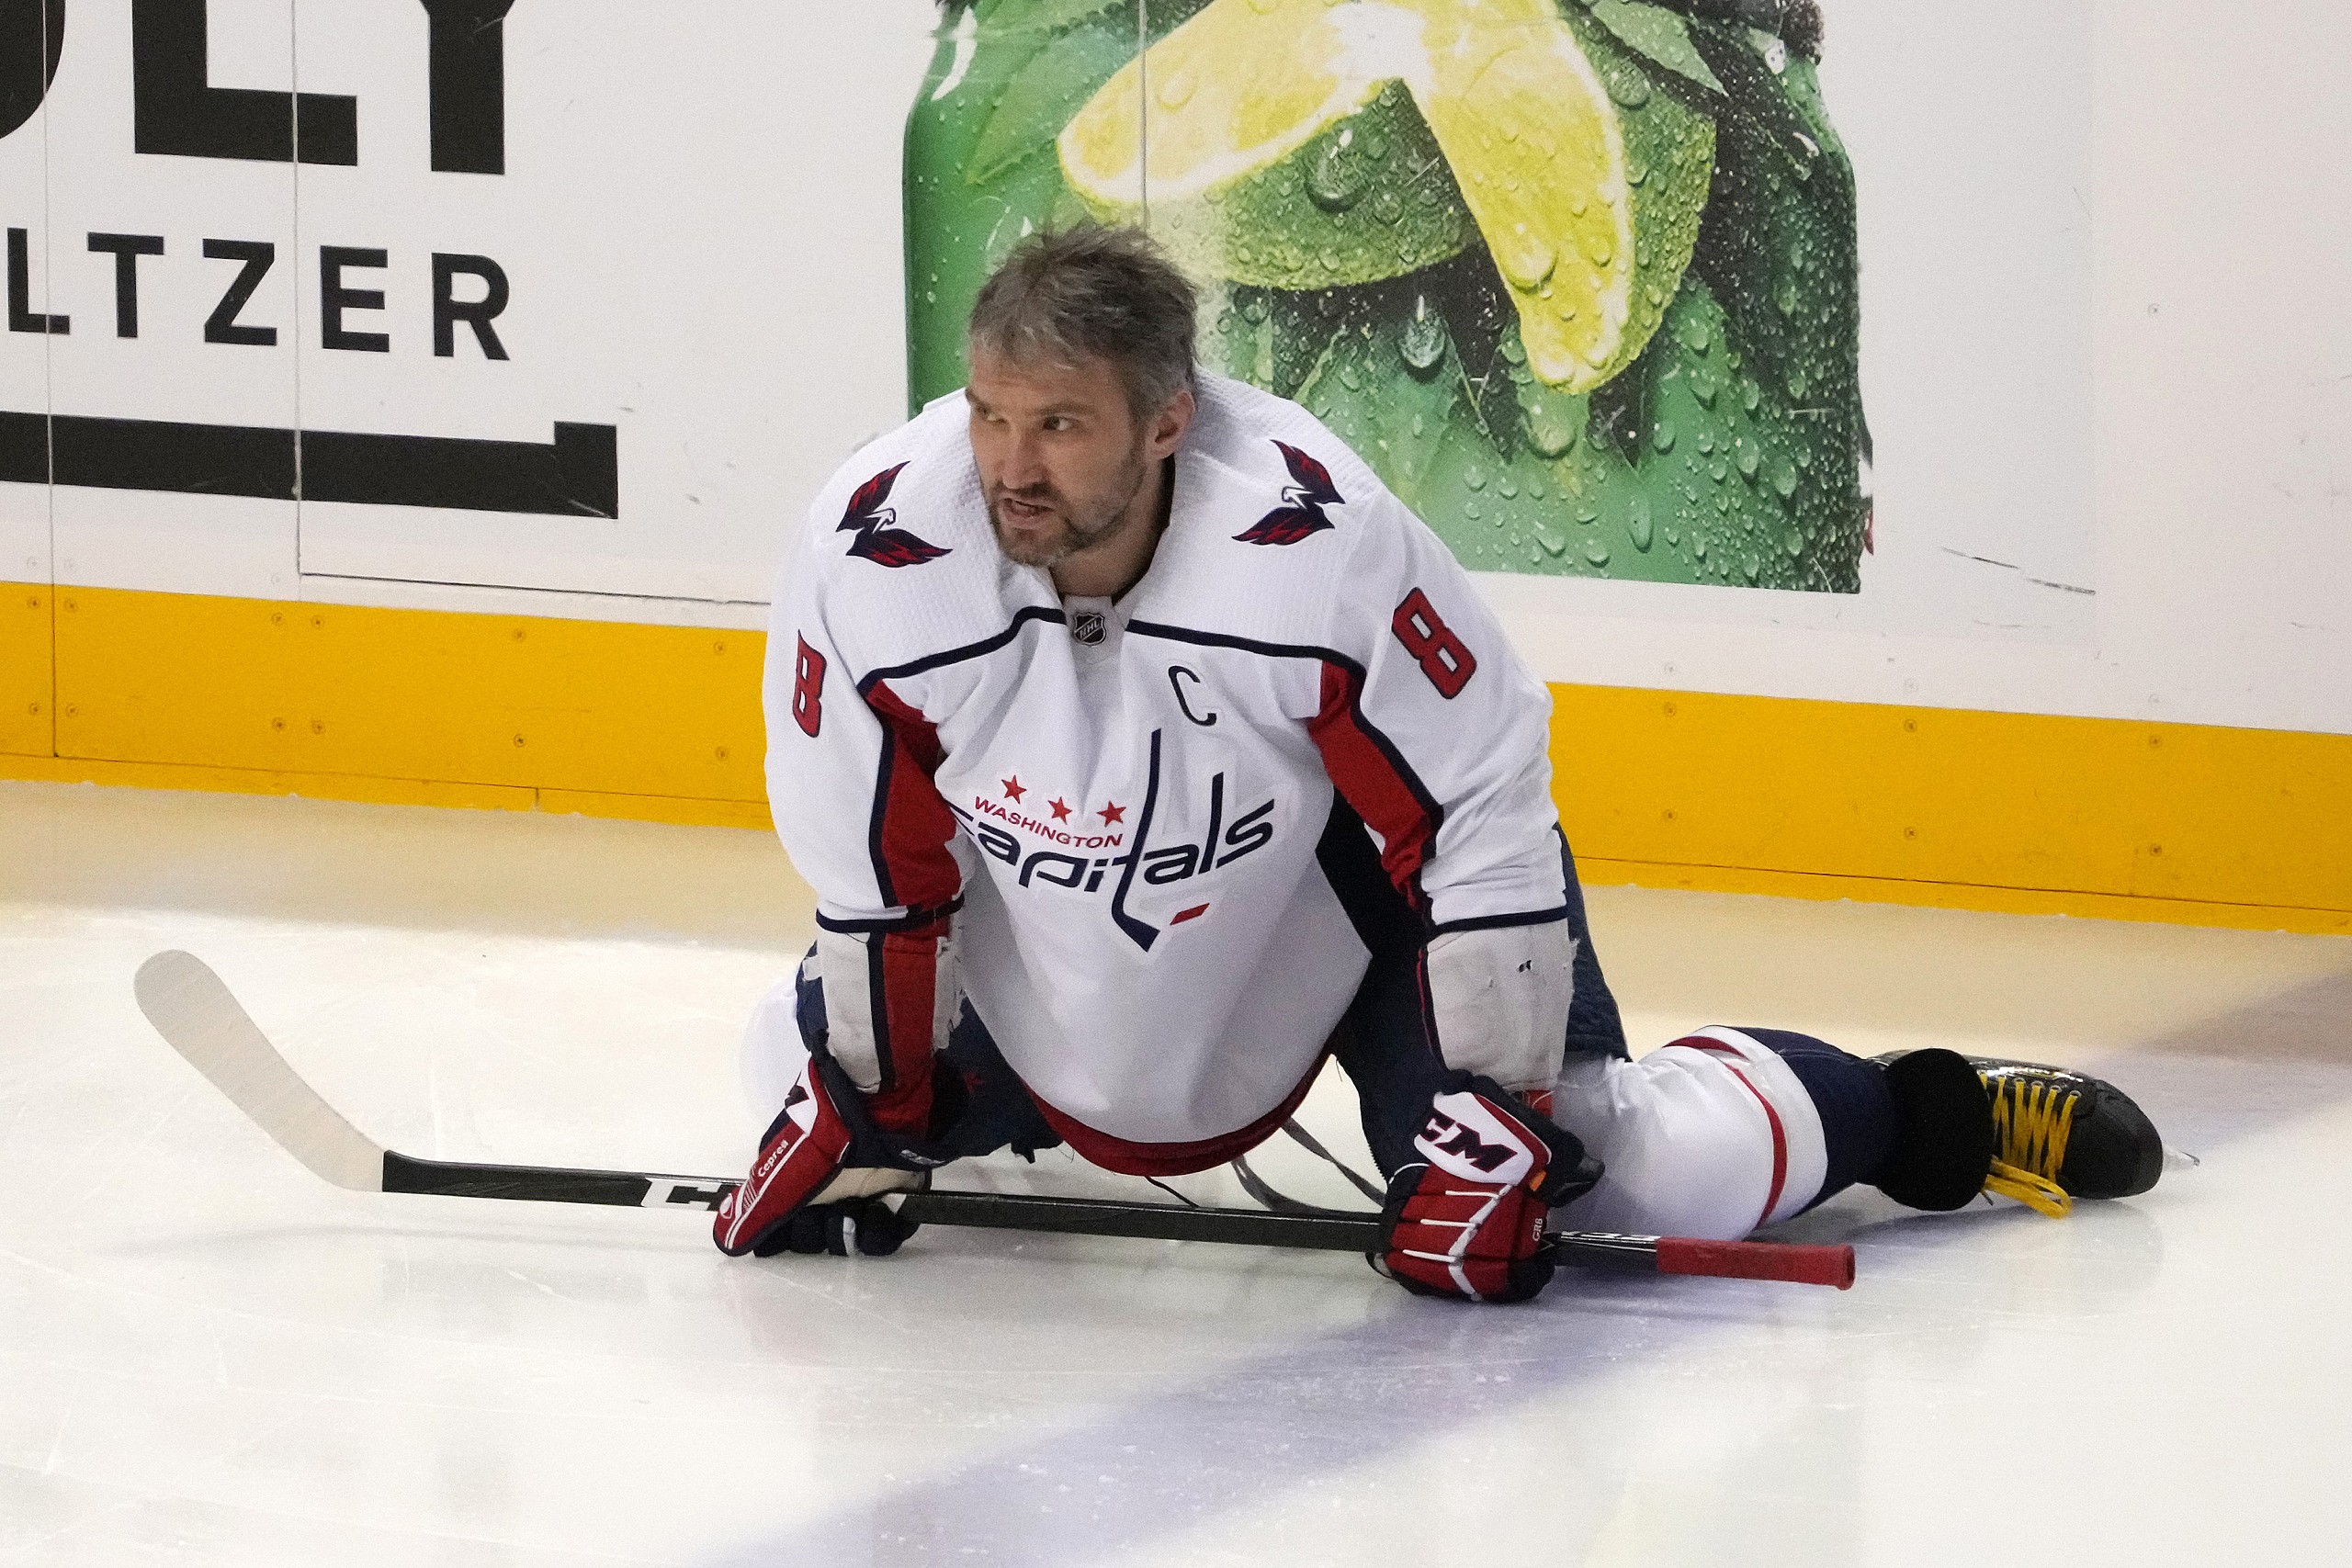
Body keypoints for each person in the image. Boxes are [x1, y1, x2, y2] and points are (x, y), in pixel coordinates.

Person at [714, 225, 2163, 1303]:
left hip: (1340, 919)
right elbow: (872, 866)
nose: (1011, 468)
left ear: (1166, 422)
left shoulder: (1311, 539)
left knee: (1637, 1174)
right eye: (989, 415)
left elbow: (1477, 801)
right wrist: (876, 1101)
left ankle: (1923, 1113)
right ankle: (962, 1115)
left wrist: (1504, 1118)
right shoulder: (876, 551)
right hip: (1052, 932)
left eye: (1060, 426)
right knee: (779, 1070)